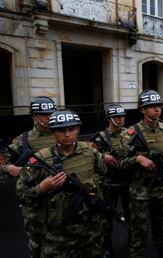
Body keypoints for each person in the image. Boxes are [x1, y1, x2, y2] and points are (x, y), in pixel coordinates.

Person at [16, 109, 107, 257]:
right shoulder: (41, 159)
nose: (67, 134)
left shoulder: (89, 151)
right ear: (52, 132)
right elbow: (21, 195)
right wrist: (42, 188)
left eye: (71, 129)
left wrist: (92, 186)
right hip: (58, 231)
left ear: (78, 129)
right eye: (61, 130)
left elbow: (104, 174)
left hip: (90, 226)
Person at [117, 89, 163, 258]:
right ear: (142, 109)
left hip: (162, 190)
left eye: (158, 106)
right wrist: (138, 160)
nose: (157, 109)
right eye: (151, 106)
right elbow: (119, 165)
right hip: (141, 192)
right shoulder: (131, 134)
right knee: (139, 231)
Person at [1, 96, 57, 258]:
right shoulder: (23, 141)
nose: (48, 117)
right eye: (43, 114)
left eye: (51, 114)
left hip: (60, 196)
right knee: (38, 243)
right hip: (35, 200)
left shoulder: (60, 134)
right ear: (34, 116)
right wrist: (10, 168)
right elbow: (2, 163)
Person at [92, 104, 130, 258]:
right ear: (109, 119)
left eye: (122, 117)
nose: (120, 120)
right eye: (117, 117)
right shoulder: (101, 136)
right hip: (108, 183)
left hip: (127, 181)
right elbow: (90, 153)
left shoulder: (129, 133)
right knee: (107, 215)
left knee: (131, 212)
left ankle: (131, 237)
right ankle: (107, 245)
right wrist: (103, 157)